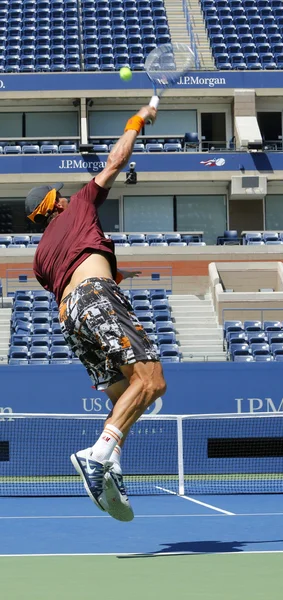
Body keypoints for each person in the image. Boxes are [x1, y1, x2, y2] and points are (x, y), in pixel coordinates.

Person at [25, 104, 166, 522]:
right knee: (152, 381)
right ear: (55, 204)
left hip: (69, 316)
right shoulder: (78, 206)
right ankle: (98, 454)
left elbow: (70, 274)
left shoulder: (39, 257)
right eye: (61, 193)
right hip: (94, 296)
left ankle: (111, 467)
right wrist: (137, 120)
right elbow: (116, 160)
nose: (68, 193)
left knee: (125, 395)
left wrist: (115, 270)